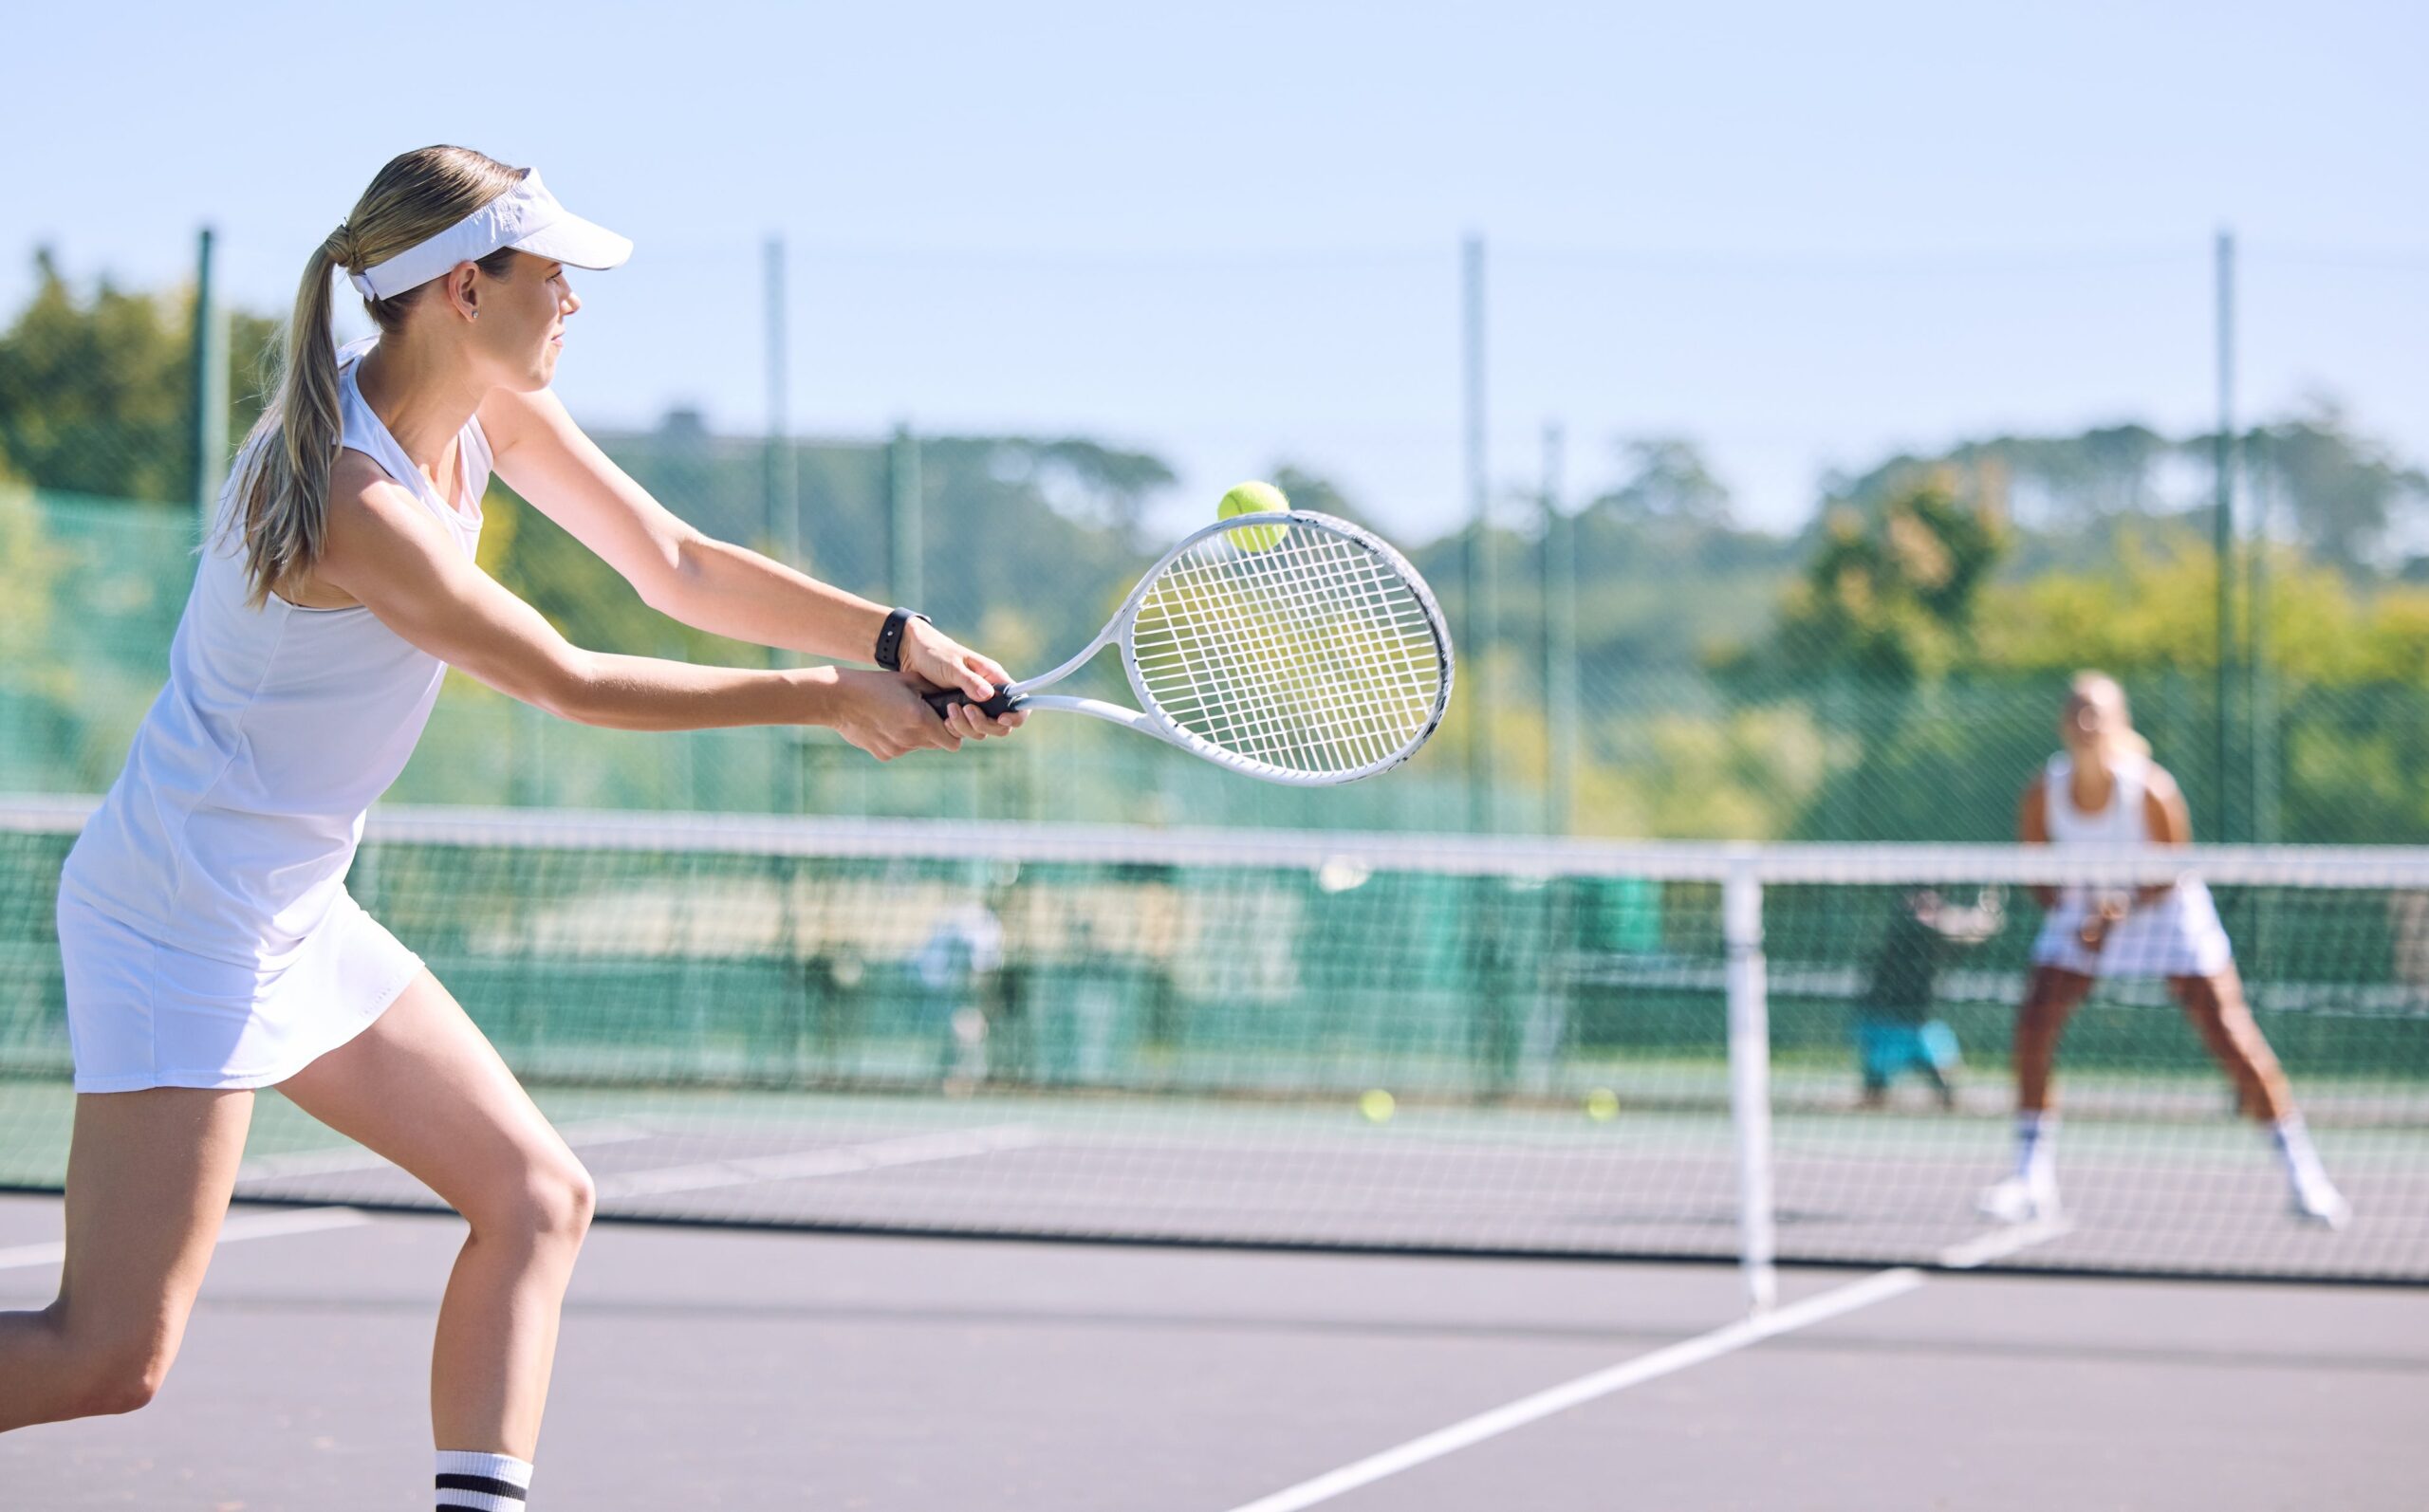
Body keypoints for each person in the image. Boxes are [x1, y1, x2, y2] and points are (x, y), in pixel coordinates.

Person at [0, 146, 1025, 1506]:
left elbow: (675, 566)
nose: (578, 304)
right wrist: (828, 698)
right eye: (558, 278)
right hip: (180, 919)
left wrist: (891, 636)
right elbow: (568, 680)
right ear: (465, 290)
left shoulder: (487, 410)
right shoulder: (348, 504)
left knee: (539, 1196)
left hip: (290, 904)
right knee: (107, 1356)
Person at [1977, 673, 2348, 1228]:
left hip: (2166, 916)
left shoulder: (2150, 789)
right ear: (2061, 723)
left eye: (2094, 714)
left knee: (2232, 1039)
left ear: (2117, 722)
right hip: (2085, 916)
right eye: (2074, 712)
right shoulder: (2042, 791)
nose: (2083, 724)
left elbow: (2169, 871)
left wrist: (2109, 916)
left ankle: (2305, 1177)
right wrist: (2075, 915)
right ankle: (2032, 1178)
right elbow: (2038, 873)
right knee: (2033, 1025)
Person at [1855, 887, 2004, 1110]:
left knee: (1946, 1089)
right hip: (1883, 1022)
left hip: (1920, 1025)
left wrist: (1989, 914)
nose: (1927, 904)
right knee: (1875, 1095)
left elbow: (1971, 930)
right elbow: (1956, 926)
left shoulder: (1939, 931)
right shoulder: (1908, 929)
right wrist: (1984, 917)